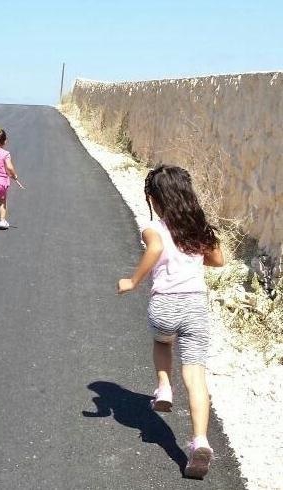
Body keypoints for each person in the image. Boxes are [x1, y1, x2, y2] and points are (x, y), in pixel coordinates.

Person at [117, 165, 225, 479]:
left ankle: (164, 387)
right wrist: (195, 253)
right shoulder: (198, 228)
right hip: (195, 307)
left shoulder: (154, 228)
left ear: (154, 198)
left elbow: (156, 248)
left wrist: (133, 281)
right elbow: (218, 260)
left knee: (162, 341)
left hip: (165, 305)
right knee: (196, 375)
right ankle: (200, 441)